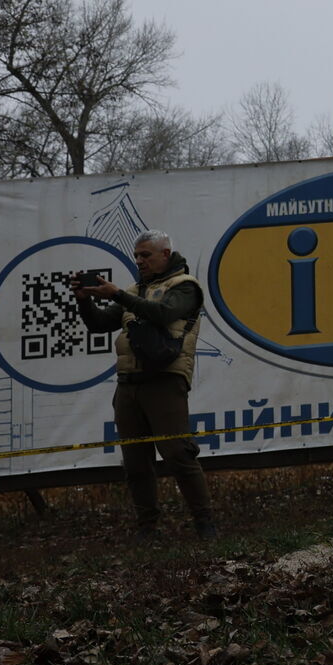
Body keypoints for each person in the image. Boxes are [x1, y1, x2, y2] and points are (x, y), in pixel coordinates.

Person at [72, 231, 216, 540]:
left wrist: (118, 296)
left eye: (146, 255)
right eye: (137, 256)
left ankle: (205, 524)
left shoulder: (185, 287)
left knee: (178, 454)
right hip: (128, 384)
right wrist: (83, 301)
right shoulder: (134, 290)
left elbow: (163, 314)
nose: (140, 261)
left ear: (166, 254)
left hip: (165, 380)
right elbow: (99, 324)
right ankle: (147, 529)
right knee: (136, 463)